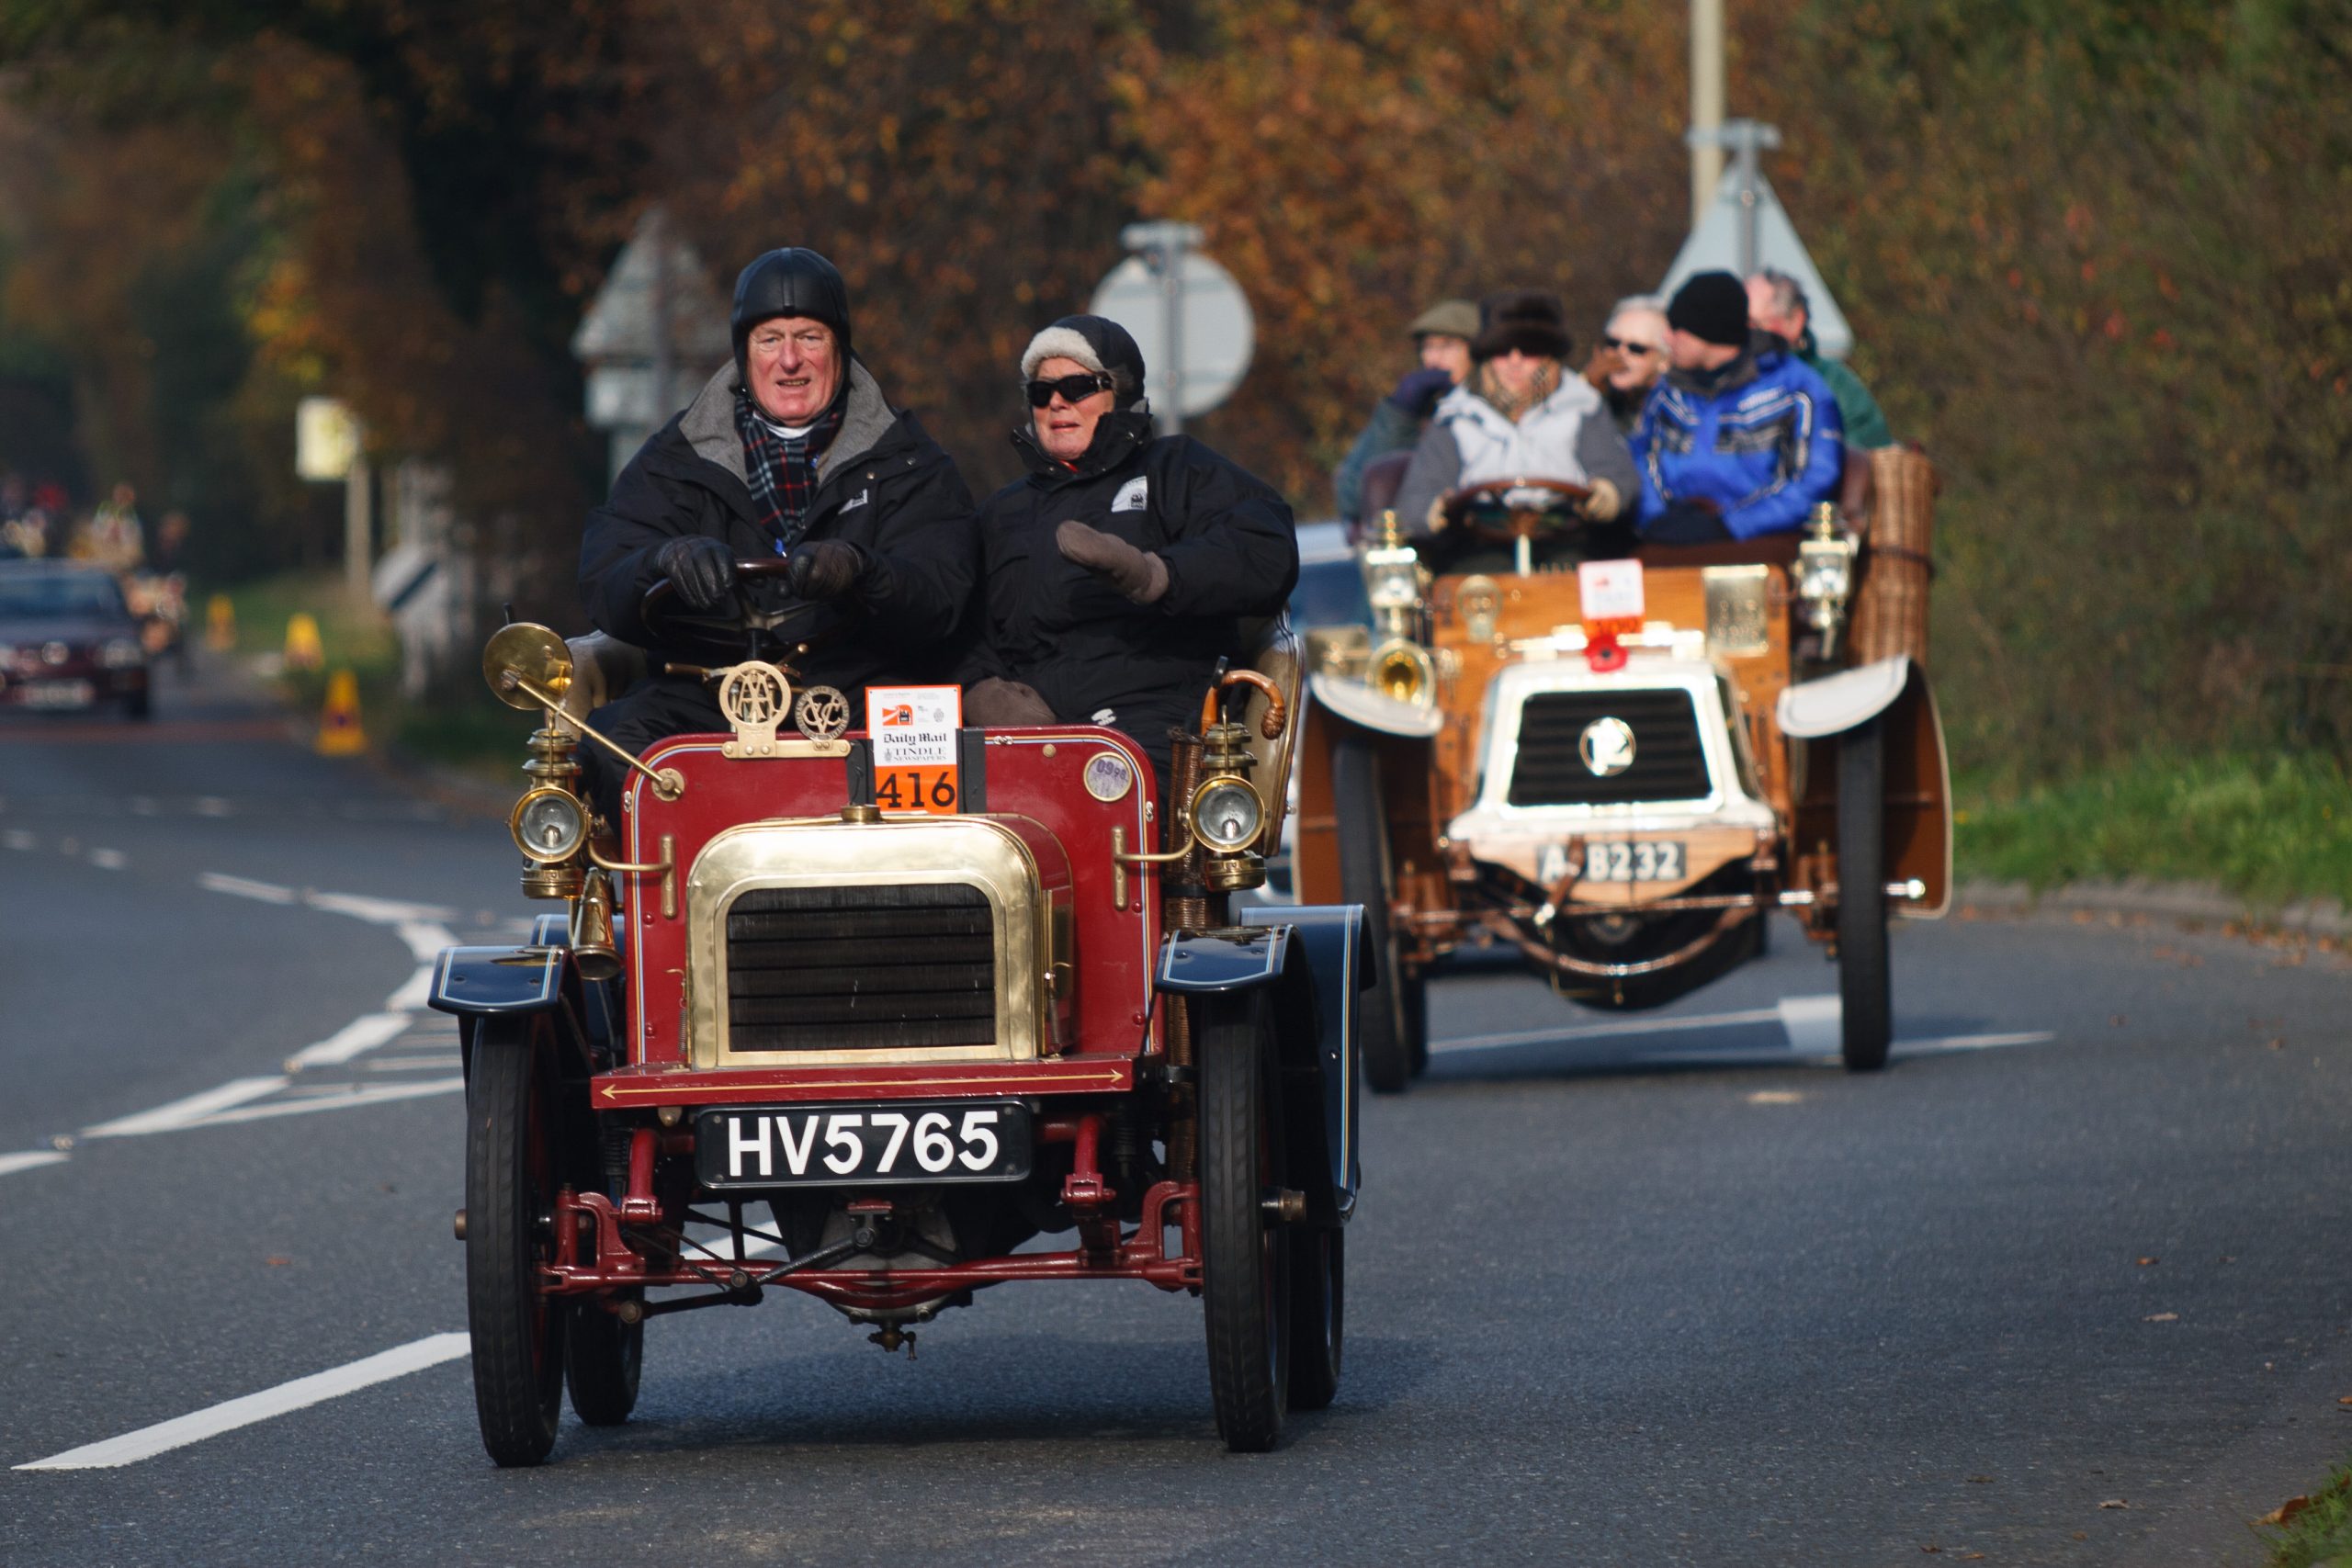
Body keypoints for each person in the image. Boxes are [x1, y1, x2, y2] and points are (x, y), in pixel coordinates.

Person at [576, 246, 976, 820]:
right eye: (770, 340)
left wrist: (862, 571)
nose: (790, 360)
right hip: (709, 693)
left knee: (936, 744)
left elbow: (943, 593)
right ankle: (683, 902)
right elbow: (604, 577)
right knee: (618, 747)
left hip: (858, 692)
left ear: (839, 347)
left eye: (809, 337)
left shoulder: (908, 461)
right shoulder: (676, 459)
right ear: (744, 353)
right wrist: (663, 562)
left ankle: (903, 904)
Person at [956, 314, 1297, 790]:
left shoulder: (1176, 469)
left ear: (1118, 392)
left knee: (1104, 794)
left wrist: (1156, 575)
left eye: (1077, 387)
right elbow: (957, 622)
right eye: (1040, 391)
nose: (1056, 402)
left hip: (1155, 715)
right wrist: (985, 693)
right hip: (1029, 726)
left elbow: (1266, 551)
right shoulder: (1002, 512)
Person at [1391, 289, 1639, 538]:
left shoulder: (1583, 406)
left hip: (1566, 541)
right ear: (1487, 355)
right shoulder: (1455, 415)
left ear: (1549, 357)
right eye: (1502, 350)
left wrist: (1607, 493)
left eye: (1529, 351)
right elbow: (1417, 498)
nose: (1515, 361)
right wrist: (1436, 510)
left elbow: (1617, 475)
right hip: (1478, 545)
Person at [1632, 271, 1844, 544]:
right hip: (1669, 542)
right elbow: (1642, 457)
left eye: (1676, 329)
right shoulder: (1668, 392)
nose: (1666, 338)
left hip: (1764, 548)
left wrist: (1730, 526)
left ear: (1706, 334)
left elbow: (1813, 479)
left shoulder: (1796, 390)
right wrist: (1658, 518)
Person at [1331, 299, 1478, 525]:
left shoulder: (1491, 413)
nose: (1434, 359)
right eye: (1428, 347)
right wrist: (1401, 415)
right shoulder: (1417, 416)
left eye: (1448, 345)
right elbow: (1352, 496)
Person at [1746, 268, 1892, 451]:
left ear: (1794, 321)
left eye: (1754, 323)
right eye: (1737, 323)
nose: (1744, 334)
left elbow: (1869, 449)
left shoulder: (1836, 384)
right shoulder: (1724, 379)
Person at [1583, 294, 1671, 436]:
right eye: (1613, 343)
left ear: (1665, 359)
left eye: (1636, 348)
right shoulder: (1591, 395)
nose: (1620, 353)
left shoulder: (1676, 414)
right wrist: (1588, 384)